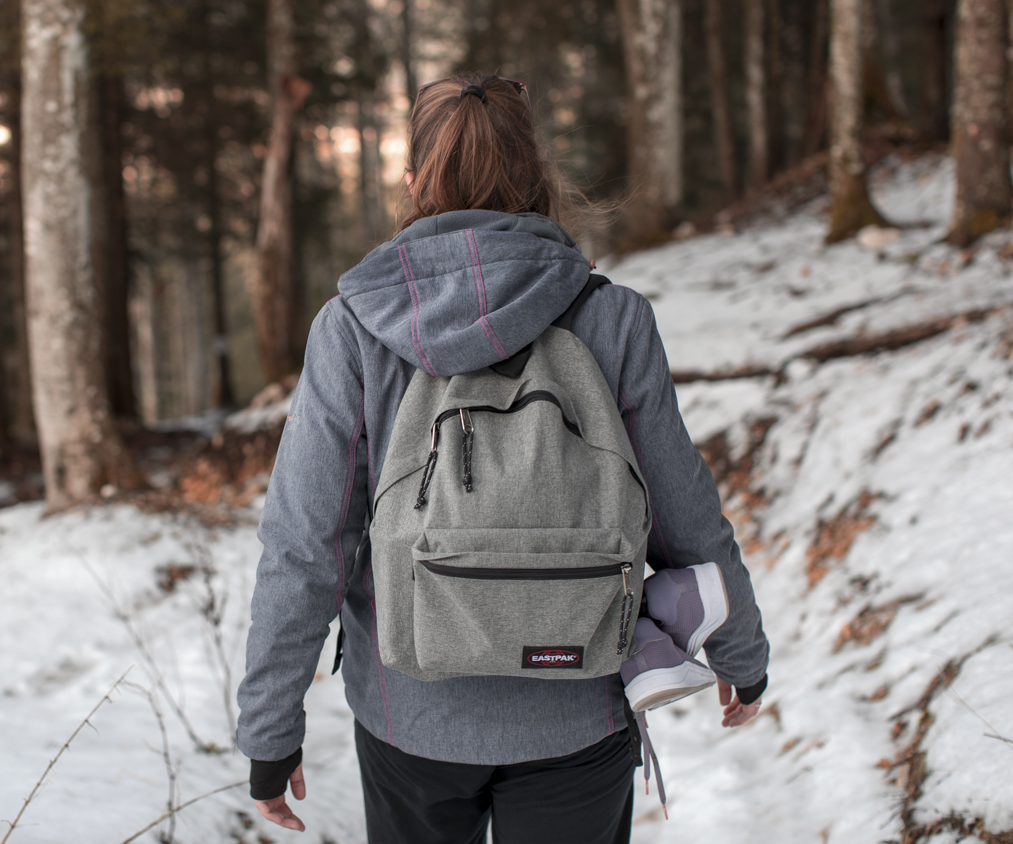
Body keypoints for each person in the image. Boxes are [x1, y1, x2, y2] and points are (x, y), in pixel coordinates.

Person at [235, 72, 770, 844]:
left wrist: (269, 728)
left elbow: (305, 540)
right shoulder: (609, 318)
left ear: (414, 185)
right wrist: (739, 650)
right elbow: (681, 510)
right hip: (578, 712)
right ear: (538, 180)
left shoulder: (354, 327)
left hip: (408, 715)